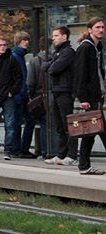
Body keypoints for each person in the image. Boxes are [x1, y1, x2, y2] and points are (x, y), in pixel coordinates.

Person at [73, 17, 105, 175]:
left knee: (91, 132)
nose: (101, 30)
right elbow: (80, 74)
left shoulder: (98, 47)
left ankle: (84, 165)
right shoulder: (85, 48)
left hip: (97, 95)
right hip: (90, 97)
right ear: (90, 29)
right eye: (98, 27)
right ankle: (83, 165)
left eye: (103, 27)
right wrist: (83, 98)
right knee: (96, 130)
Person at [45, 26, 77, 166]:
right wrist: (51, 64)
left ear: (65, 37)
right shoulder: (57, 53)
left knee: (67, 124)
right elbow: (45, 67)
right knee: (58, 125)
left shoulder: (68, 52)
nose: (53, 38)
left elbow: (53, 69)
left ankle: (71, 155)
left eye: (56, 35)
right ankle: (61, 154)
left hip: (65, 90)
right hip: (56, 90)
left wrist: (51, 65)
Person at [12, 31, 36, 159]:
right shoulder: (16, 56)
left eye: (27, 40)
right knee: (19, 122)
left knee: (27, 121)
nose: (27, 42)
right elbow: (18, 77)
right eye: (24, 40)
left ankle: (21, 148)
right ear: (18, 41)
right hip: (19, 95)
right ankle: (18, 149)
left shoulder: (21, 56)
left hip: (22, 94)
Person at [26, 36, 51, 159]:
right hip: (55, 95)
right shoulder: (56, 57)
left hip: (40, 97)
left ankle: (45, 152)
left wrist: (31, 96)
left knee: (43, 124)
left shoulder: (35, 61)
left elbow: (30, 81)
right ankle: (56, 151)